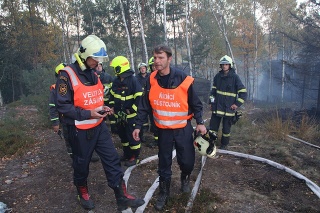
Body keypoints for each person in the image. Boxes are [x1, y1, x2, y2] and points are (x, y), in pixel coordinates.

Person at [55, 35, 144, 211]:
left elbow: (93, 98)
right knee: (81, 163)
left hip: (99, 126)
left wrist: (102, 107)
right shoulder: (67, 76)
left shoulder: (93, 73)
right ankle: (82, 191)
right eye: (95, 59)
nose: (98, 62)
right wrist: (89, 113)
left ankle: (121, 196)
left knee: (112, 159)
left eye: (99, 59)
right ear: (84, 56)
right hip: (80, 130)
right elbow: (62, 106)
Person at [132, 45, 206, 211]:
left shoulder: (183, 79)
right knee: (163, 163)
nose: (157, 61)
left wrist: (200, 122)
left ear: (169, 59)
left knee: (187, 162)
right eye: (155, 58)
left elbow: (196, 104)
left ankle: (185, 177)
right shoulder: (151, 80)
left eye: (161, 58)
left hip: (183, 129)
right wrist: (138, 125)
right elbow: (144, 105)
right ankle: (164, 192)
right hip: (163, 130)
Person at [109, 56, 143, 167]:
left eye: (115, 68)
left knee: (132, 136)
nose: (114, 70)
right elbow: (112, 95)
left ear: (120, 68)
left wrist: (131, 110)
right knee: (123, 136)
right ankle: (127, 154)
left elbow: (139, 98)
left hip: (131, 116)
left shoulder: (133, 80)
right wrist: (112, 107)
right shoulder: (116, 81)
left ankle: (135, 157)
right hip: (119, 115)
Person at [209, 55, 247, 150]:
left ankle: (224, 145)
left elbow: (243, 93)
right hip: (217, 108)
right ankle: (210, 143)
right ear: (221, 66)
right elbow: (213, 92)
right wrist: (212, 103)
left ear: (230, 65)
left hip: (229, 110)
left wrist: (237, 104)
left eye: (226, 64)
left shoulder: (235, 78)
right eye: (223, 64)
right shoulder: (217, 77)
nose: (224, 66)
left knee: (226, 130)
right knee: (213, 129)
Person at [49, 63, 73, 158]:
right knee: (68, 138)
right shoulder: (55, 89)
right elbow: (52, 106)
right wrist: (55, 123)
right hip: (65, 118)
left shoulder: (75, 85)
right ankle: (74, 158)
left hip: (78, 116)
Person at [135, 62, 150, 144]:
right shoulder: (136, 78)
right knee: (141, 116)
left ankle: (148, 130)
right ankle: (141, 135)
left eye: (144, 68)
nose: (143, 69)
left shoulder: (150, 77)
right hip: (140, 99)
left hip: (149, 98)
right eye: (141, 68)